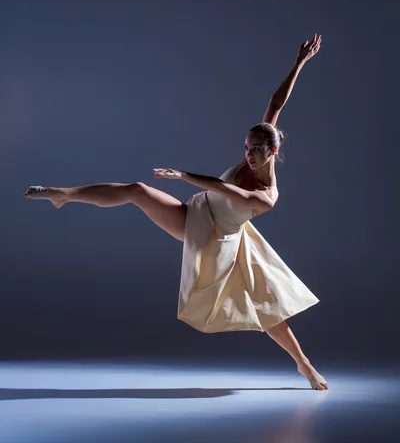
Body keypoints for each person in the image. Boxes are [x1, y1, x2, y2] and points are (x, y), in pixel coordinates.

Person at [24, 33, 328, 390]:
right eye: (246, 147)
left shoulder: (266, 194)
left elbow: (225, 189)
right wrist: (299, 63)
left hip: (215, 239)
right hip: (197, 213)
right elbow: (275, 102)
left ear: (273, 151)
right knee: (137, 190)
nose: (249, 154)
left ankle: (304, 365)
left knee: (270, 308)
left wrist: (184, 175)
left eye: (257, 149)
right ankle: (63, 194)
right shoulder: (262, 142)